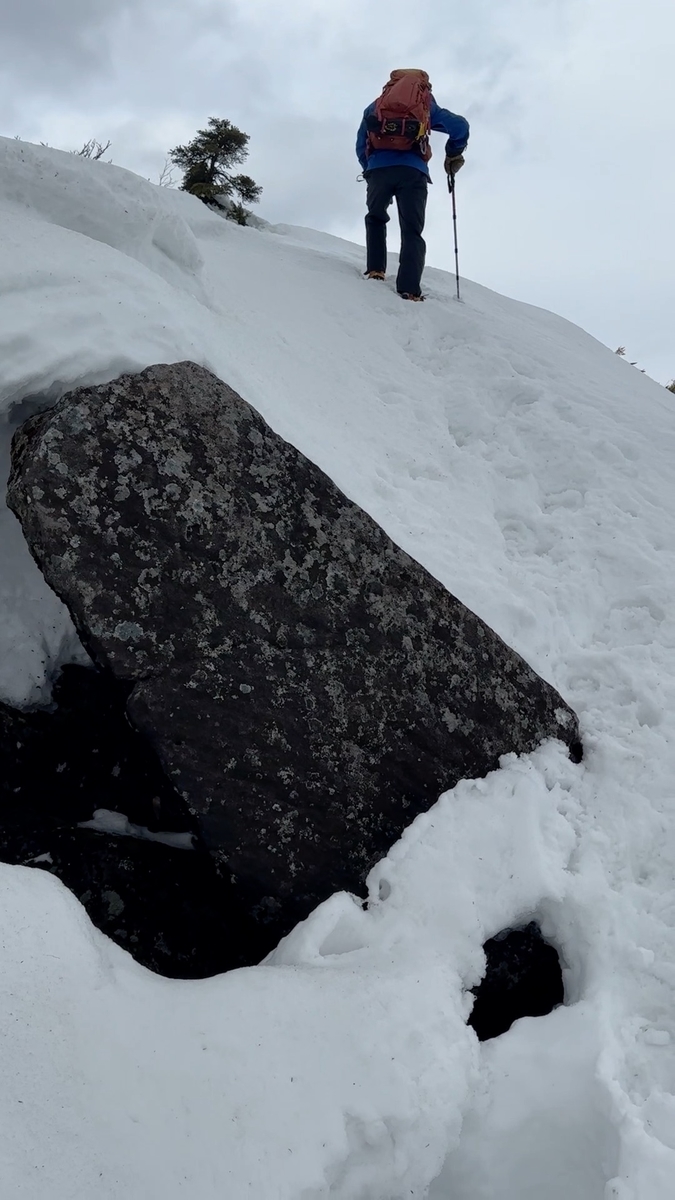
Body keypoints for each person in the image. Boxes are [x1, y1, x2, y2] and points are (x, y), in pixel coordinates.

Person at [356, 70, 469, 301]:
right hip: (413, 172)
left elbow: (361, 142)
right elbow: (460, 126)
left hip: (379, 169)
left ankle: (376, 270)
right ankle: (409, 289)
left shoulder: (376, 106)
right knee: (412, 230)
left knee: (376, 217)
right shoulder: (425, 106)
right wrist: (452, 153)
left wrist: (370, 168)